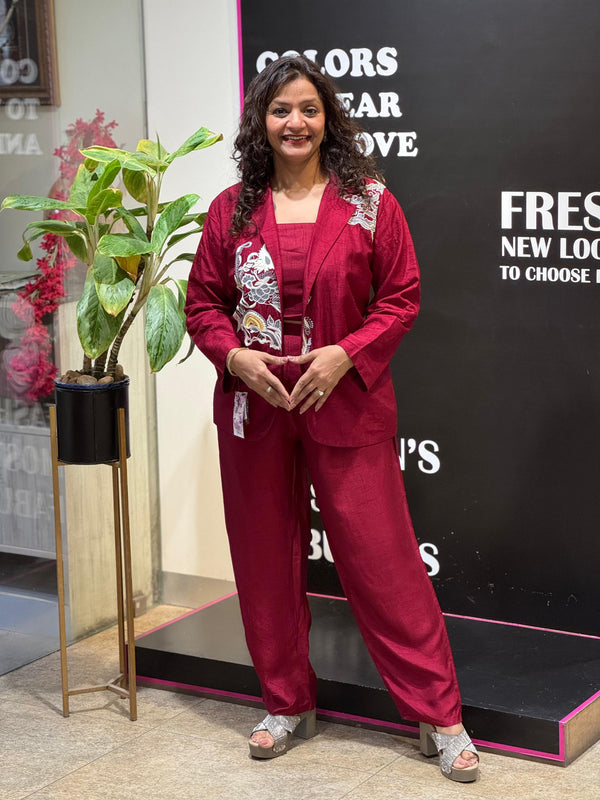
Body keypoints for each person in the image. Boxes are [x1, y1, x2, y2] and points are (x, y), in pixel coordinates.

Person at [185, 55, 479, 783]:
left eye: (308, 109)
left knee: (384, 563)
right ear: (261, 121)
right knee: (263, 559)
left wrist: (345, 354)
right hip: (256, 410)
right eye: (281, 110)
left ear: (328, 119)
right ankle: (285, 704)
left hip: (344, 402)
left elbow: (401, 296)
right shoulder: (231, 208)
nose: (295, 122)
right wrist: (232, 357)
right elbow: (202, 305)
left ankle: (440, 717)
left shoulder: (370, 201)